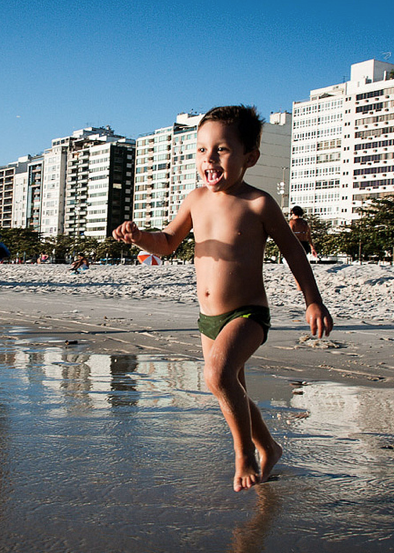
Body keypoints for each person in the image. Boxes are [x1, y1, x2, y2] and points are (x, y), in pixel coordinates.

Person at [113, 106, 333, 492]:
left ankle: (244, 453)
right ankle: (269, 447)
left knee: (217, 376)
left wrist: (312, 301)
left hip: (248, 314)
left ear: (250, 157)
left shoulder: (258, 204)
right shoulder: (195, 200)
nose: (208, 159)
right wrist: (139, 237)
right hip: (207, 317)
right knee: (228, 387)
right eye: (201, 150)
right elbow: (166, 243)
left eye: (221, 150)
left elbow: (294, 252)